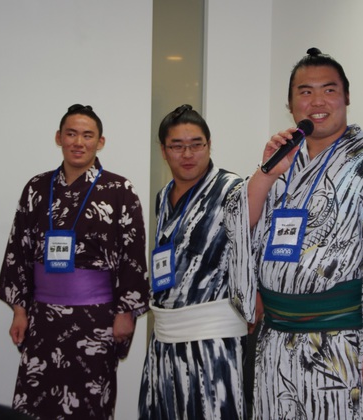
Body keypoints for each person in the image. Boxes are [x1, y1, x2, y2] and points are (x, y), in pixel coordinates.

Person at [225, 48, 363, 419]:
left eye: (329, 90)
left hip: (343, 341)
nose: (317, 102)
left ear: (346, 97)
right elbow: (238, 226)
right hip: (275, 339)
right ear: (290, 104)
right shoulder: (281, 161)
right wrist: (266, 173)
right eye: (305, 92)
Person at [0, 104, 149, 419]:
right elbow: (18, 249)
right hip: (43, 317)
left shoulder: (119, 190)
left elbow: (133, 255)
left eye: (87, 135)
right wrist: (20, 311)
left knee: (90, 402)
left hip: (97, 317)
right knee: (36, 401)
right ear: (59, 138)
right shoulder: (37, 188)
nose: (79, 142)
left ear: (100, 142)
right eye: (71, 134)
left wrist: (126, 313)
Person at [138, 105, 248, 419]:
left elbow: (251, 254)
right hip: (165, 336)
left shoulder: (233, 190)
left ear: (209, 145)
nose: (187, 154)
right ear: (163, 150)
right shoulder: (163, 196)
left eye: (196, 144)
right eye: (177, 146)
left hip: (213, 339)